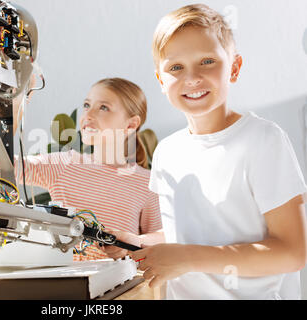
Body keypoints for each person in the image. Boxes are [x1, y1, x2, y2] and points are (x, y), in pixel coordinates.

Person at [121, 4, 307, 300]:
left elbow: (293, 252)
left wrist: (187, 258)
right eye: (176, 67)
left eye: (207, 61)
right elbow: (185, 235)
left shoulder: (263, 141)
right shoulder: (168, 151)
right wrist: (139, 242)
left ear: (234, 67)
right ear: (160, 79)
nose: (191, 78)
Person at [0, 77, 163, 260]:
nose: (88, 115)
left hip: (118, 285)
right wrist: (19, 100)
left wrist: (136, 240)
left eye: (103, 107)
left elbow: (163, 237)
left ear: (131, 125)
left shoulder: (147, 182)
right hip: (63, 279)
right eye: (87, 105)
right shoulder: (64, 164)